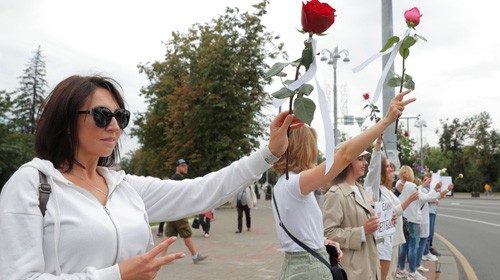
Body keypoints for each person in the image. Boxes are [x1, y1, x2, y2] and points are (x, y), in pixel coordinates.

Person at [0, 75, 302, 279]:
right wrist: (117, 275)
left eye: (122, 117)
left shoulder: (125, 187)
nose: (115, 127)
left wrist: (269, 152)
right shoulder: (32, 185)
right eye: (102, 115)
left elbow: (203, 190)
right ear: (66, 121)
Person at [271, 90, 415, 279]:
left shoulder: (283, 185)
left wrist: (324, 242)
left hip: (299, 265)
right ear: (305, 149)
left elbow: (302, 233)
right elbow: (345, 154)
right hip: (308, 270)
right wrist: (385, 121)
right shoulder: (294, 183)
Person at [364, 137, 419, 280]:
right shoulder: (376, 190)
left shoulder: (386, 191)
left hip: (392, 240)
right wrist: (377, 146)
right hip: (385, 241)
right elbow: (390, 213)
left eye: (391, 166)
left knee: (391, 274)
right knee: (386, 276)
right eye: (387, 166)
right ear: (380, 170)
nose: (391, 169)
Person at [395, 166, 453, 280]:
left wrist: (435, 190)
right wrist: (440, 191)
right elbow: (426, 198)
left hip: (404, 218)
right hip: (413, 220)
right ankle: (412, 272)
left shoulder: (398, 185)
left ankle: (401, 269)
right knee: (413, 246)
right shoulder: (412, 186)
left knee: (404, 246)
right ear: (409, 174)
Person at [162, 158, 208, 263]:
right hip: (179, 212)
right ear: (177, 167)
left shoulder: (173, 178)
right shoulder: (179, 179)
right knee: (186, 234)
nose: (186, 167)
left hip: (172, 211)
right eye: (183, 166)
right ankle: (195, 256)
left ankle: (162, 258)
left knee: (169, 236)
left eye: (186, 165)